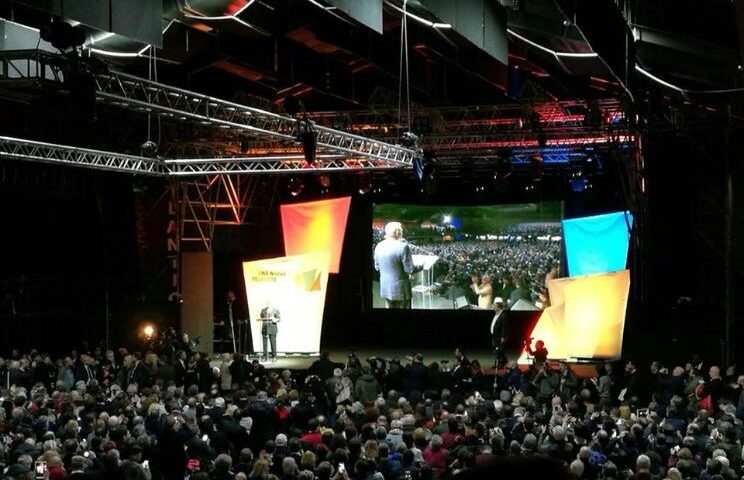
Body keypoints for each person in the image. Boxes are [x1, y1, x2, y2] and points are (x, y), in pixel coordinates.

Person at [373, 222, 421, 309]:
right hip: (401, 291)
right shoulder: (403, 247)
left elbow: (377, 267)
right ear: (397, 232)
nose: (401, 233)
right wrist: (422, 265)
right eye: (401, 231)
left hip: (386, 289)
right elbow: (409, 270)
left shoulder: (379, 246)